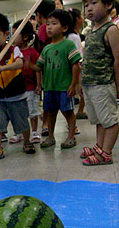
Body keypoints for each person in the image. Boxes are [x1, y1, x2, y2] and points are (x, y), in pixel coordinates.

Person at [79, 0, 119, 166]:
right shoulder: (90, 30)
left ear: (108, 5)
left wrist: (118, 84)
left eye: (94, 2)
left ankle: (106, 153)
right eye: (86, 4)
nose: (89, 8)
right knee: (98, 120)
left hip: (103, 85)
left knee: (109, 121)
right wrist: (82, 83)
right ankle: (99, 146)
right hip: (90, 85)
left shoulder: (110, 29)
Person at [0, 13, 34, 162]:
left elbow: (19, 64)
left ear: (6, 34)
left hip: (17, 96)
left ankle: (27, 142)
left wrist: (2, 68)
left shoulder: (13, 50)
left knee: (22, 123)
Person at [27, 10, 81, 149]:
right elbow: (39, 67)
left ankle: (70, 136)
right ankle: (51, 137)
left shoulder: (68, 45)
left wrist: (73, 84)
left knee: (68, 112)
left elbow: (76, 65)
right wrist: (28, 64)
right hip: (49, 88)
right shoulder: (46, 49)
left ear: (64, 27)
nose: (49, 27)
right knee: (50, 113)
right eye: (48, 24)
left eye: (54, 24)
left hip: (63, 87)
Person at [10, 20, 41, 144]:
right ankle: (19, 132)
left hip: (30, 87)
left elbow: (38, 70)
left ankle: (34, 132)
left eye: (15, 34)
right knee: (17, 113)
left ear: (25, 36)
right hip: (17, 89)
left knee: (32, 111)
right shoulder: (11, 53)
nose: (12, 37)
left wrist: (39, 85)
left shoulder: (32, 52)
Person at [34, 0, 56, 137]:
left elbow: (40, 47)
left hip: (47, 67)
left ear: (39, 15)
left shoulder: (43, 28)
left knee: (48, 97)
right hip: (55, 65)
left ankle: (45, 124)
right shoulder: (55, 26)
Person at [67, 8, 89, 120]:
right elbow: (77, 58)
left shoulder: (73, 35)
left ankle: (80, 110)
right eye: (81, 16)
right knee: (80, 90)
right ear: (76, 19)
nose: (83, 18)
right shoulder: (74, 37)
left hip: (74, 68)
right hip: (75, 69)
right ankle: (78, 112)